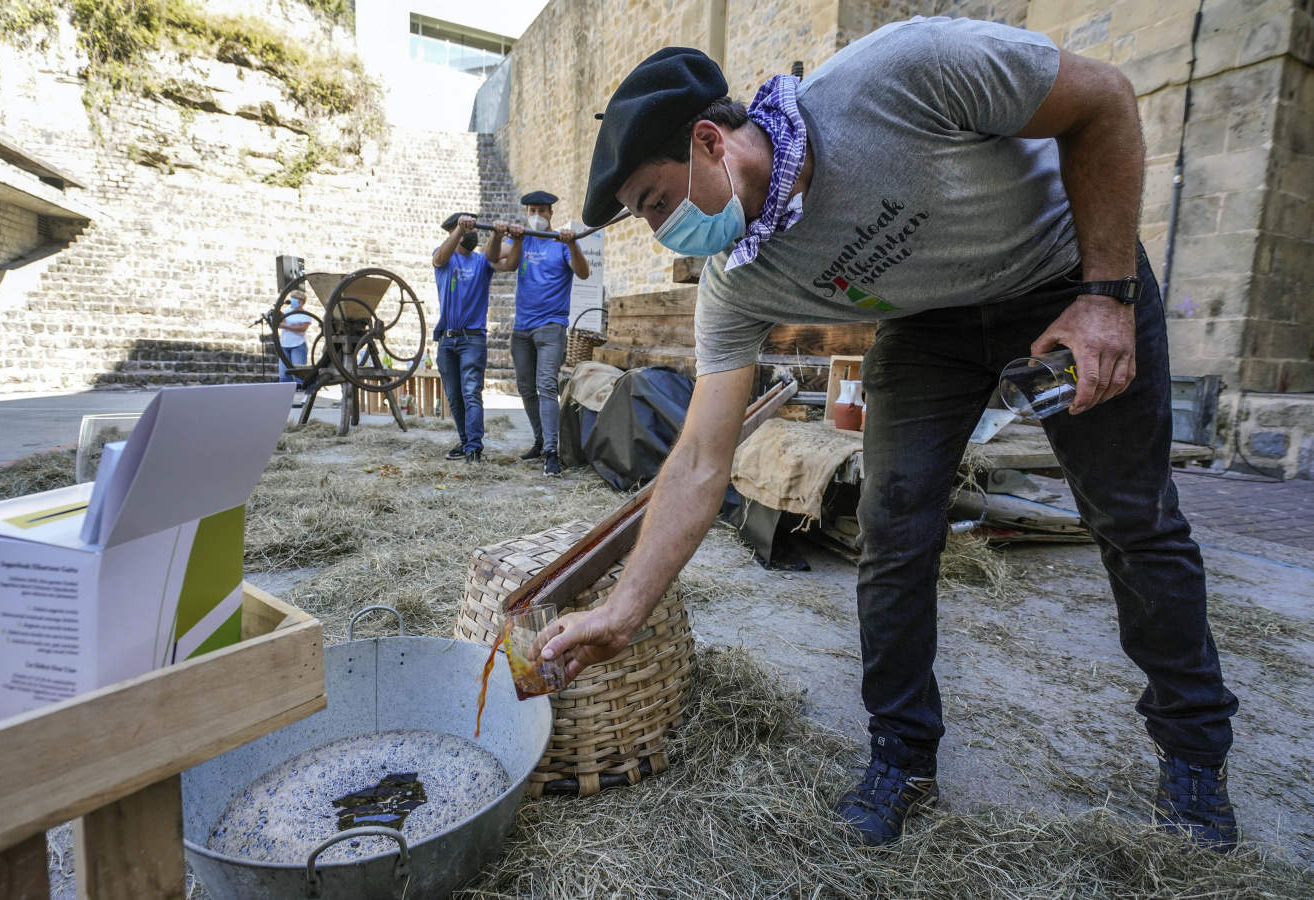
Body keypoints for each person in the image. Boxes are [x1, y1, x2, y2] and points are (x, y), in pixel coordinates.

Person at [539, 18, 1240, 851]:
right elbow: (698, 459)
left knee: (1131, 516)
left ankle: (1194, 754)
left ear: (708, 141)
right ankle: (900, 755)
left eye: (657, 203)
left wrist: (1108, 293)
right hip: (929, 326)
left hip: (1066, 274)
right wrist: (623, 608)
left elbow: (1106, 101)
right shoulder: (736, 284)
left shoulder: (902, 73)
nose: (662, 232)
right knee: (893, 527)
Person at [490, 190, 590, 476]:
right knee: (525, 387)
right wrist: (498, 234)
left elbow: (582, 273)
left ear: (550, 214)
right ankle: (539, 440)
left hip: (551, 327)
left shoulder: (559, 242)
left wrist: (573, 246)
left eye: (541, 211)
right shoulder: (521, 239)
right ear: (526, 213)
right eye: (532, 210)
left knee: (546, 385)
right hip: (522, 328)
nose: (536, 216)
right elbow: (496, 259)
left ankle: (551, 452)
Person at [432, 212, 509, 462]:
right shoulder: (445, 257)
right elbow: (438, 258)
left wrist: (498, 235)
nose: (471, 235)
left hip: (472, 340)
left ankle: (474, 446)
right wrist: (458, 230)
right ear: (453, 232)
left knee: (471, 393)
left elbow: (498, 255)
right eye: (467, 230)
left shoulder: (482, 262)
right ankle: (466, 443)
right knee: (455, 397)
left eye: (473, 230)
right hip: (446, 339)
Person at [277, 290, 310, 392]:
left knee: (298, 373)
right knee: (283, 374)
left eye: (295, 299)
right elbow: (279, 324)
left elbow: (302, 328)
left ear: (301, 302)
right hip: (284, 344)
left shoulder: (305, 314)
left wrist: (286, 326)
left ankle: (300, 396)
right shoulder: (286, 312)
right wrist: (293, 326)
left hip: (298, 345)